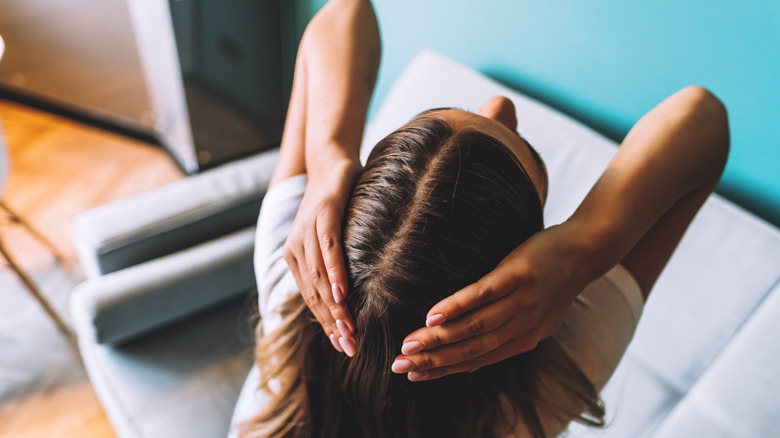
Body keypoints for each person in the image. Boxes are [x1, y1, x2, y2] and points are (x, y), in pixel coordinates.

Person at [230, 0, 730, 436]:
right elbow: (702, 117)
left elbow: (345, 11)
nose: (500, 104)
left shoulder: (295, 284)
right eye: (528, 153)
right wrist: (583, 245)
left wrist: (328, 158)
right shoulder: (541, 390)